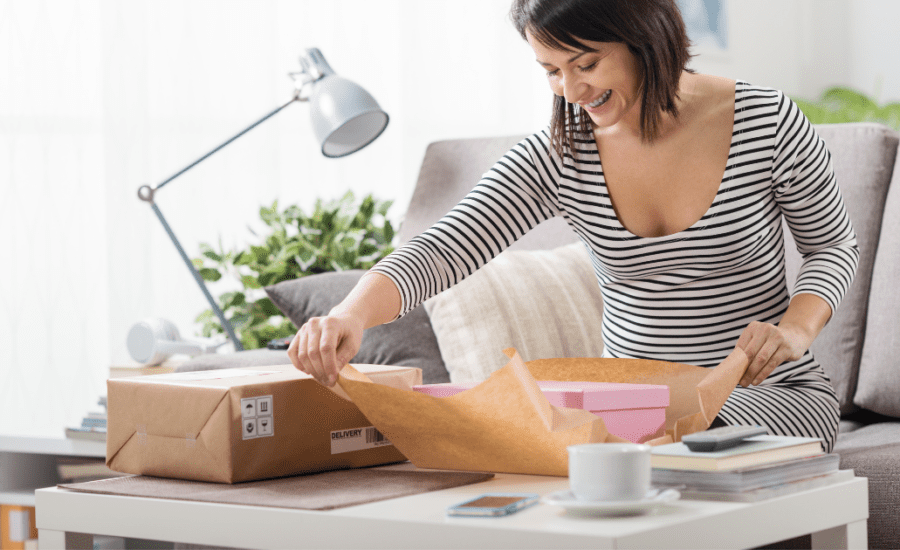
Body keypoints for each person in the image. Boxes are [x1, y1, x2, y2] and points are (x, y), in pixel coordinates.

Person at [288, 0, 858, 453]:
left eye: (586, 64)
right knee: (567, 438)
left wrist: (793, 332)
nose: (571, 90)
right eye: (551, 71)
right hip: (632, 410)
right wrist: (350, 314)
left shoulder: (765, 119)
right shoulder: (561, 154)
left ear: (645, 35)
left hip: (768, 395)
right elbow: (444, 248)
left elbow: (833, 244)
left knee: (670, 438)